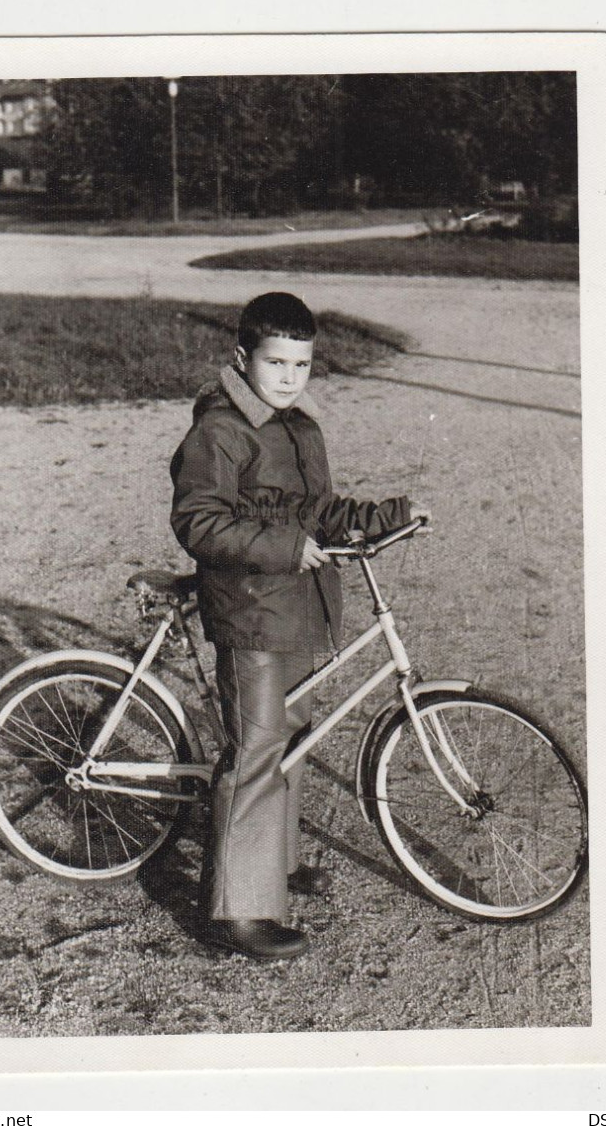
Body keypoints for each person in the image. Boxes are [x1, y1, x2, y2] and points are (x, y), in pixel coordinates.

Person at [170, 292, 417, 960]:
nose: (288, 376)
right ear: (241, 358)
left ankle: (271, 863)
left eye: (301, 364)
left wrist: (384, 514)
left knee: (295, 737)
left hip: (301, 606)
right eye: (275, 362)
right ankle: (239, 909)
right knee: (256, 748)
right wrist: (284, 547)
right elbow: (198, 520)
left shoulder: (301, 427)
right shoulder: (221, 430)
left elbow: (321, 511)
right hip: (250, 609)